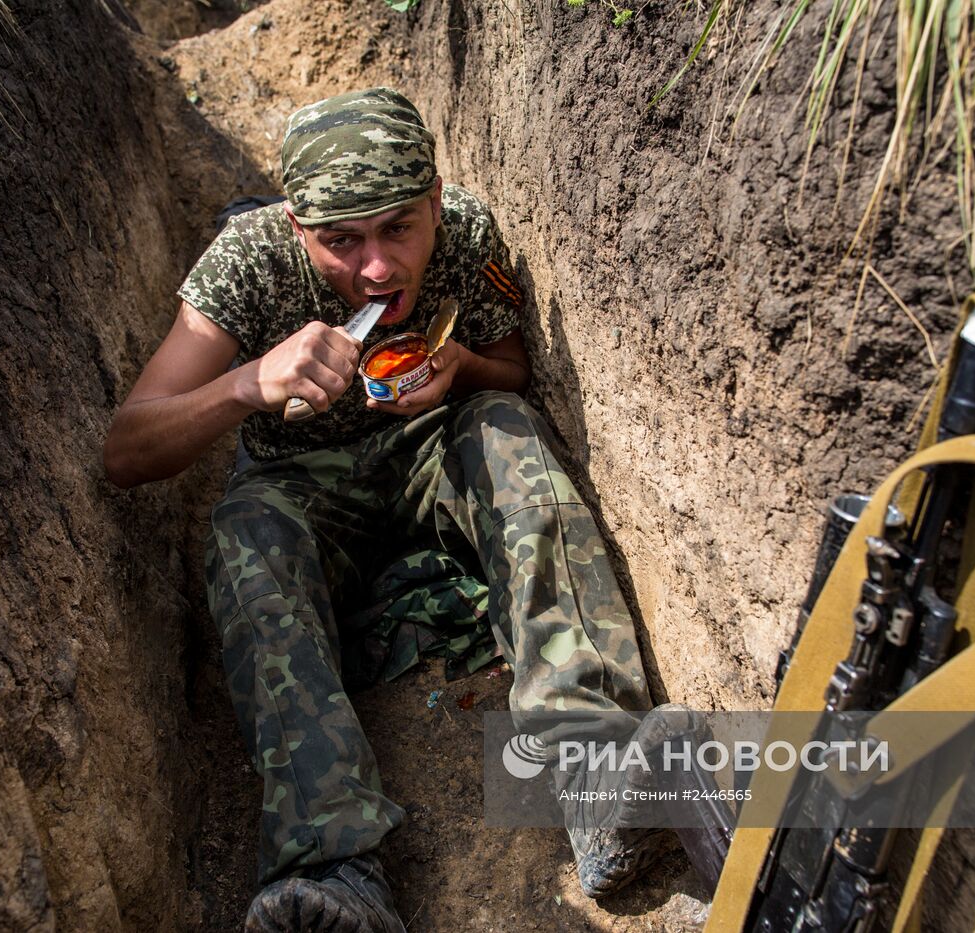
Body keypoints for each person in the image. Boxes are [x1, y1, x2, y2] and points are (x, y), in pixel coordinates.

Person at [103, 88, 666, 932]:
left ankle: (595, 764)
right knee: (245, 532)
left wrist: (461, 368)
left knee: (508, 426)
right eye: (341, 241)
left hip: (433, 456)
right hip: (302, 486)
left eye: (400, 227)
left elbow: (512, 371)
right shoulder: (248, 262)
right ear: (297, 228)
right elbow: (126, 447)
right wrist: (246, 382)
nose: (376, 268)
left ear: (436, 201)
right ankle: (333, 863)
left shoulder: (467, 234)